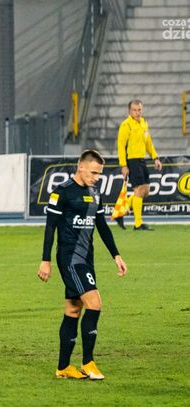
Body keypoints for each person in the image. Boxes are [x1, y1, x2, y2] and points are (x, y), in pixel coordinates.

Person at [37, 149, 128, 380]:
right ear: (80, 166)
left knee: (73, 309)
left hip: (86, 258)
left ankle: (63, 367)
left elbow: (102, 226)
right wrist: (45, 260)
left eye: (99, 174)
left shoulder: (95, 193)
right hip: (70, 259)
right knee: (95, 303)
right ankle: (88, 363)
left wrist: (116, 255)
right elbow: (50, 228)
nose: (96, 177)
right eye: (93, 172)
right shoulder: (62, 192)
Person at [116, 99, 162, 230]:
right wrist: (123, 165)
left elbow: (148, 143)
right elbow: (121, 146)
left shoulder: (143, 123)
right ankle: (138, 223)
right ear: (129, 111)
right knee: (139, 190)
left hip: (142, 160)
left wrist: (155, 158)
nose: (137, 112)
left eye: (139, 110)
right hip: (132, 161)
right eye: (134, 110)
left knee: (145, 191)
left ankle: (122, 210)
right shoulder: (126, 125)